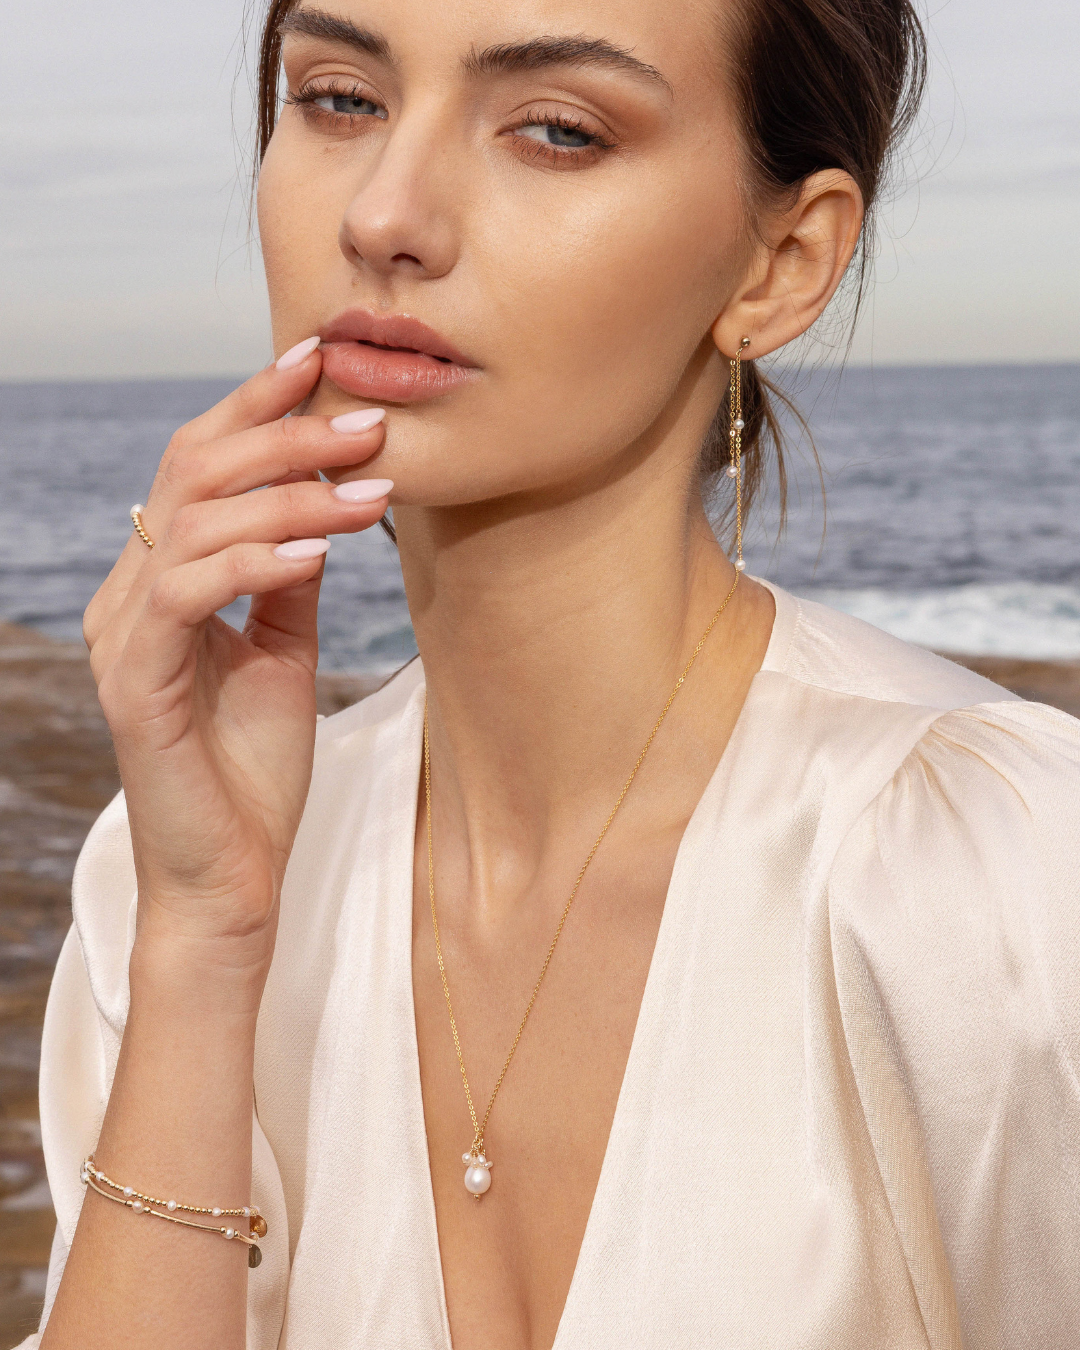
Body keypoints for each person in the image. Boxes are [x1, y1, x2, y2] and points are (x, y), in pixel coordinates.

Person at [27, 0, 1080, 1346]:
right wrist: (203, 942)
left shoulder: (992, 881)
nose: (386, 213)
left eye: (558, 130)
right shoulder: (165, 885)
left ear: (784, 264)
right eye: (340, 99)